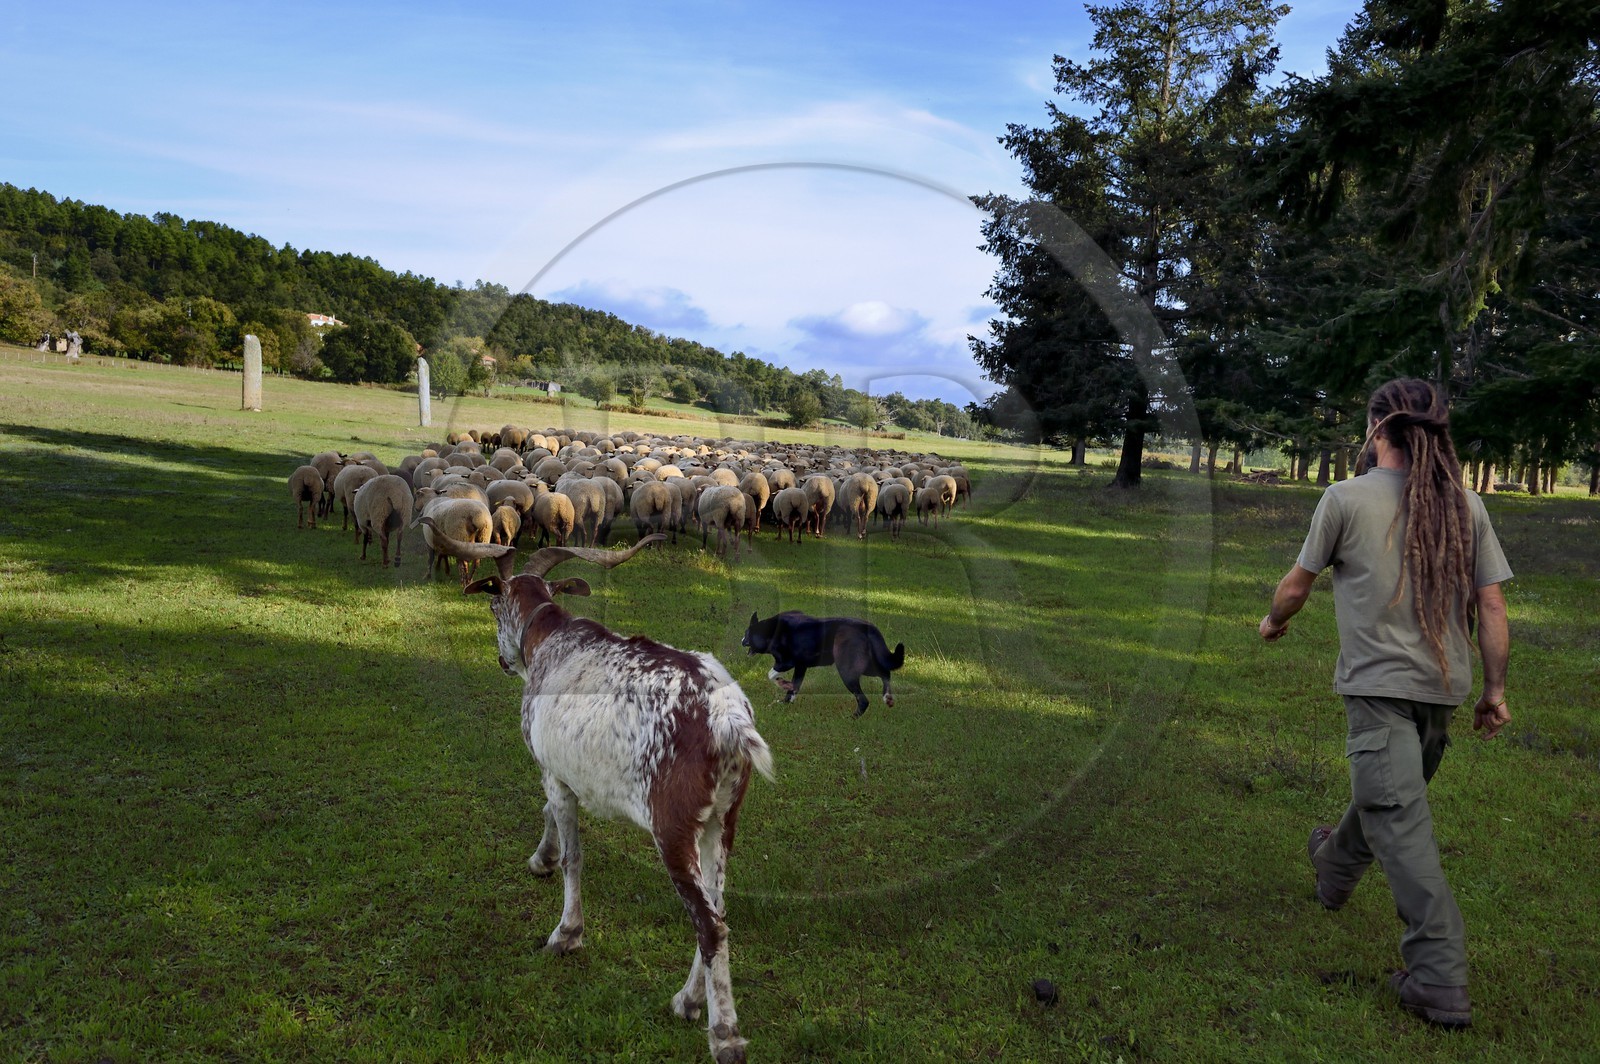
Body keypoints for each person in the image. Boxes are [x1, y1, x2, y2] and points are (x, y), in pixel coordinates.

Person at [1259, 378, 1512, 1029]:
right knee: (1391, 799)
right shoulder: (1468, 505)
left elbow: (1295, 585)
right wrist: (1494, 691)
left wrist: (1274, 621)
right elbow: (1490, 605)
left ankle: (1438, 979)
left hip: (1380, 691)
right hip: (1441, 697)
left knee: (1399, 819)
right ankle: (1336, 863)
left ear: (1377, 430)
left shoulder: (1345, 497)